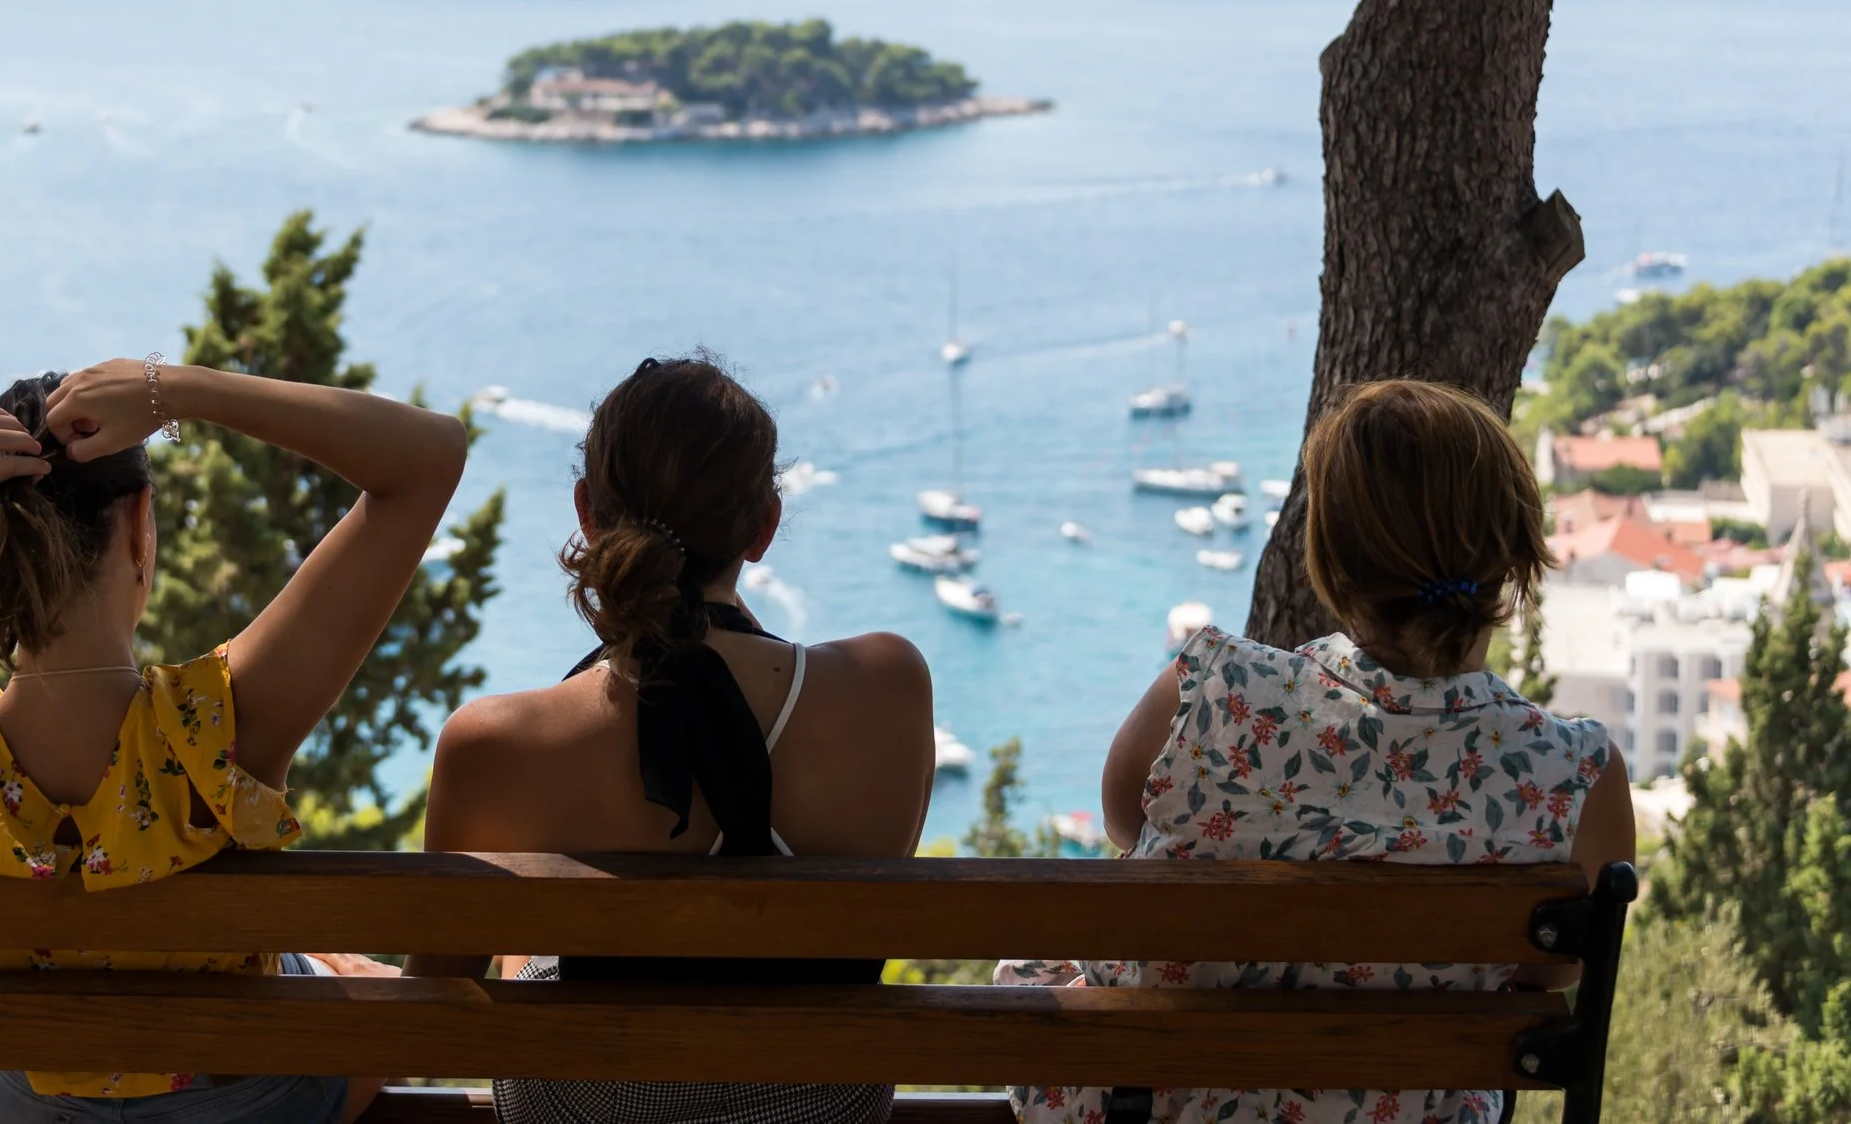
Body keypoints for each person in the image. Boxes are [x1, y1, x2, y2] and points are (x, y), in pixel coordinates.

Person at [0, 357, 468, 1124]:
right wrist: (177, 390)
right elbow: (429, 456)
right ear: (140, 525)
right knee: (366, 985)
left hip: (17, 1106)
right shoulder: (222, 725)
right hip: (242, 1102)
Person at [998, 378, 1636, 1124]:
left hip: (1160, 1105)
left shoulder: (1209, 686)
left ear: (1330, 560)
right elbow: (1554, 968)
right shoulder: (1574, 775)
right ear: (1513, 559)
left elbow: (1119, 818)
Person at [407, 354, 935, 1124]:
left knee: (527, 952)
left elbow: (433, 997)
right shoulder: (890, 684)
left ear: (587, 511)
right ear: (764, 526)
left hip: (588, 1106)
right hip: (822, 1098)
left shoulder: (494, 744)